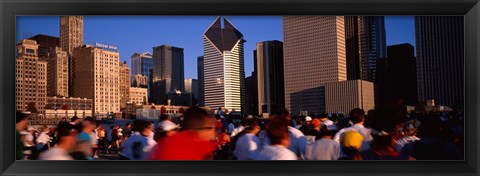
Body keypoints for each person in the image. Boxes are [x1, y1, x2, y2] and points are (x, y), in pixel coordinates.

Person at [150, 106, 217, 160]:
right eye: (210, 128)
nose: (213, 132)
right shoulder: (173, 149)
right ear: (198, 130)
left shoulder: (165, 145)